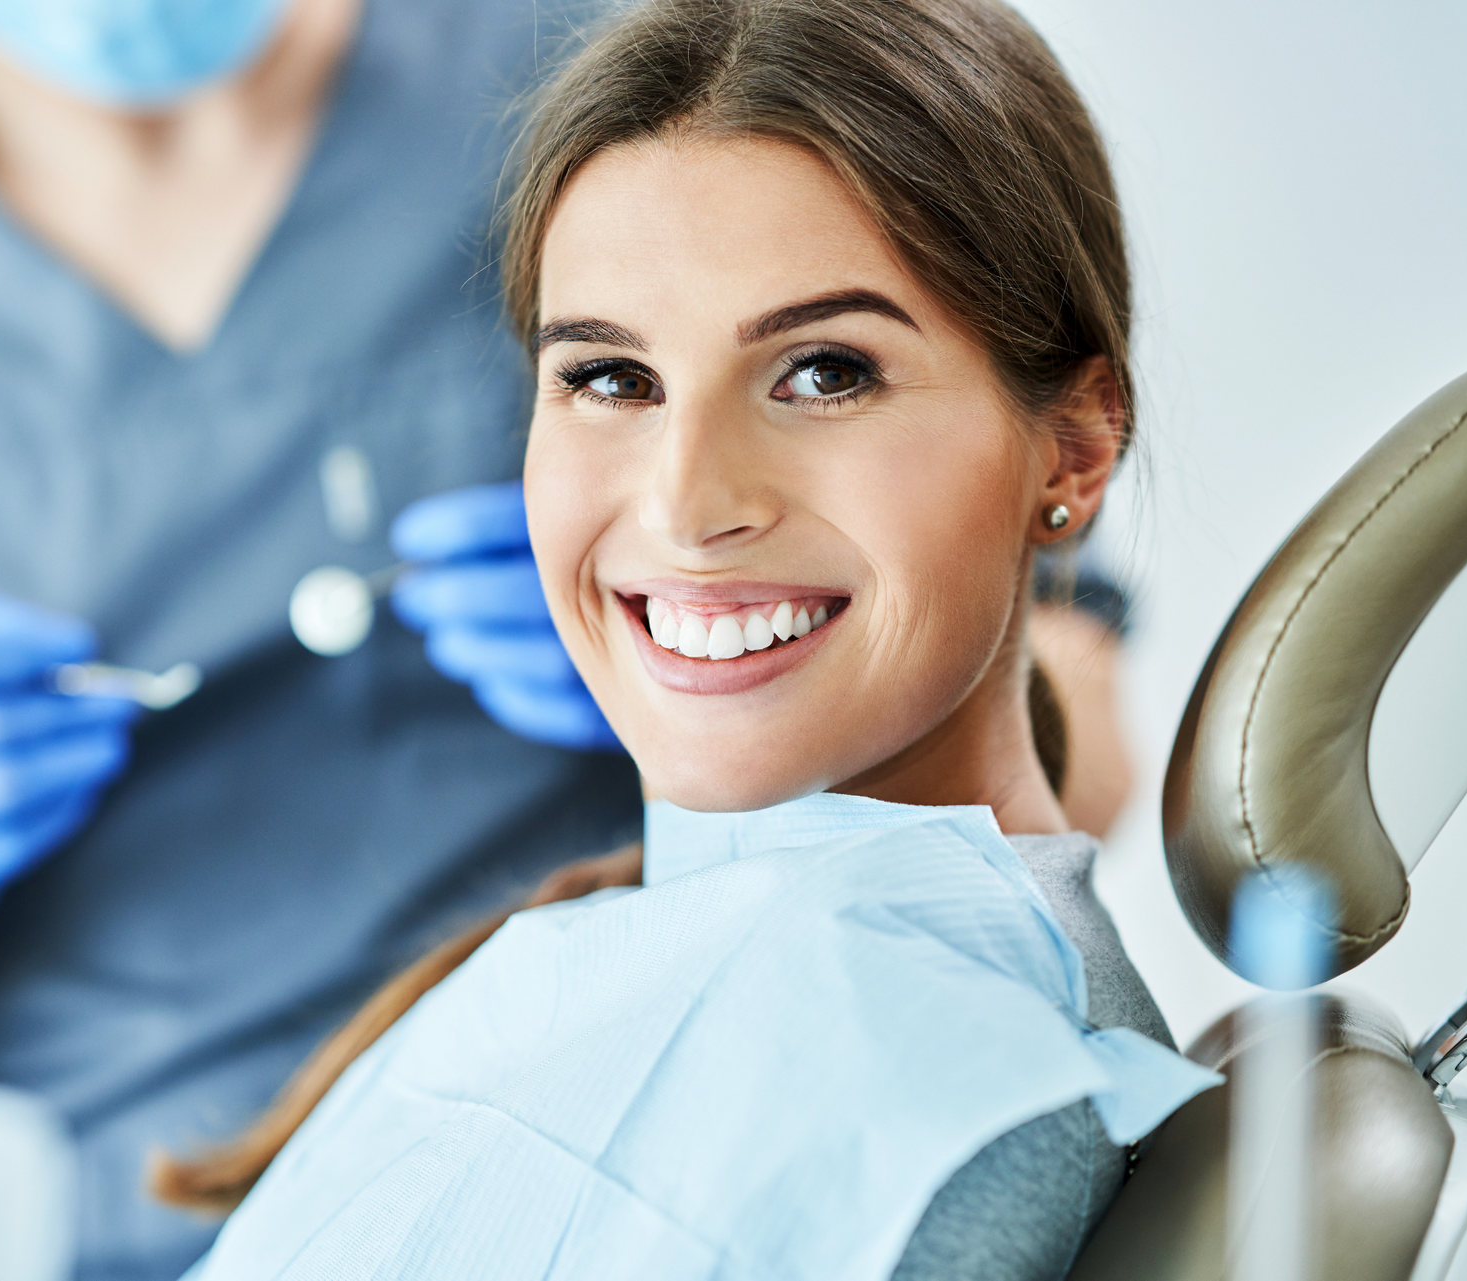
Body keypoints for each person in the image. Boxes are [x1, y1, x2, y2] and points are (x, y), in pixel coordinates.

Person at [162, 0, 1212, 1276]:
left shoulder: (925, 1089)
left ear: (1077, 446)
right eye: (611, 378)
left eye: (825, 372)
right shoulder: (657, 953)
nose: (684, 505)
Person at [0, 3, 647, 1278]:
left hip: (632, 1138)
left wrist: (684, 677)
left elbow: (944, 648)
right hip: (146, 1228)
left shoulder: (605, 83)